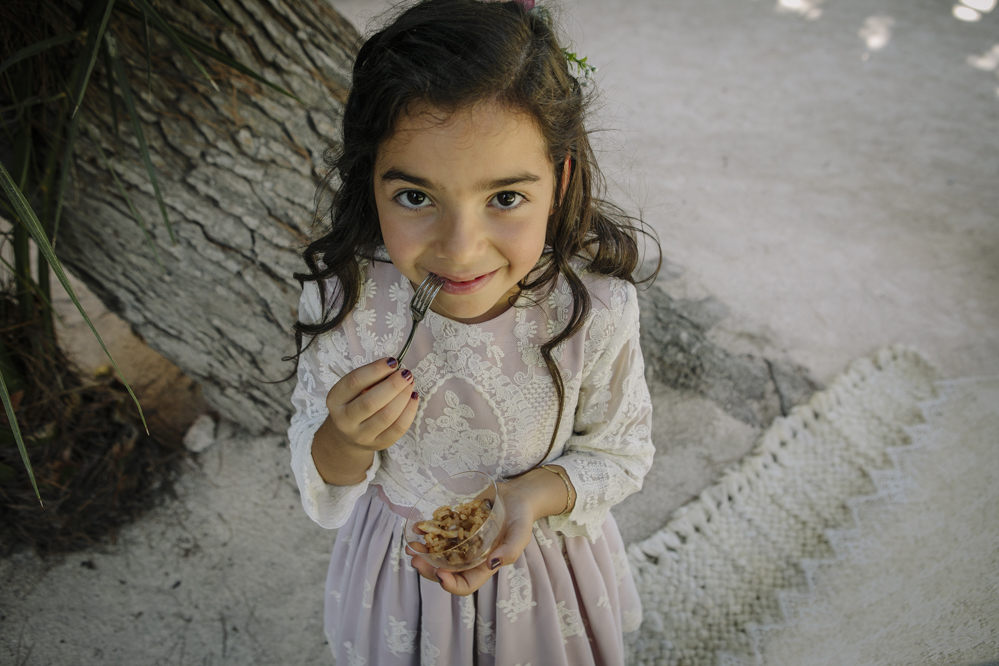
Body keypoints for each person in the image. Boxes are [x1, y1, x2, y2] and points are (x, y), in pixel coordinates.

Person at [286, 0, 658, 663]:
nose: (460, 250)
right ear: (370, 181)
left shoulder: (594, 309)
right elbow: (324, 483)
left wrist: (529, 496)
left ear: (559, 177)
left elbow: (621, 453)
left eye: (505, 198)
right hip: (399, 580)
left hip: (546, 577)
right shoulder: (349, 304)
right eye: (415, 197)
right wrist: (343, 436)